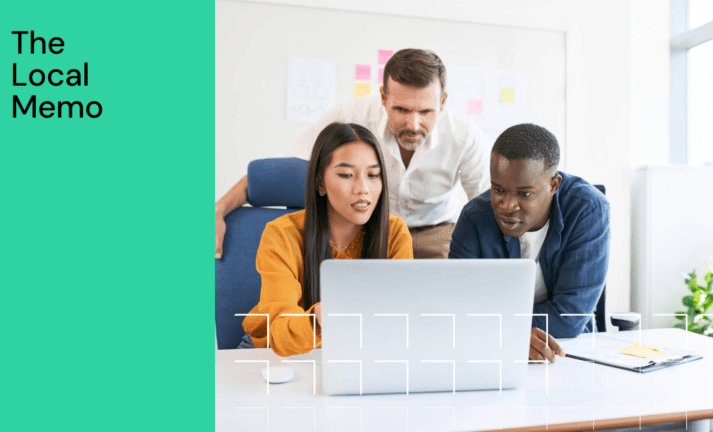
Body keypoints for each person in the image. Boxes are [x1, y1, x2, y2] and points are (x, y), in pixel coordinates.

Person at [216, 48, 489, 260]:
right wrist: (219, 209)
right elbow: (286, 171)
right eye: (402, 110)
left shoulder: (465, 136)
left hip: (436, 233)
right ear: (383, 96)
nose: (413, 125)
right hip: (371, 230)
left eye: (425, 112)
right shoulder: (353, 117)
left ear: (442, 102)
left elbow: (485, 206)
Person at [240, 122, 413, 356]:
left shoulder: (394, 233)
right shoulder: (281, 234)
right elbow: (280, 330)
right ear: (320, 182)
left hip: (356, 350)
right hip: (278, 350)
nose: (363, 188)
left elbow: (399, 319)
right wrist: (317, 320)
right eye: (346, 175)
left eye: (373, 175)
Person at [449, 123, 610, 363]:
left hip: (567, 352)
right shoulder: (474, 218)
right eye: (498, 189)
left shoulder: (588, 210)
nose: (507, 205)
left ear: (553, 185)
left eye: (524, 194)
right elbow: (457, 308)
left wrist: (502, 329)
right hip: (492, 353)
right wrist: (510, 337)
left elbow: (569, 317)